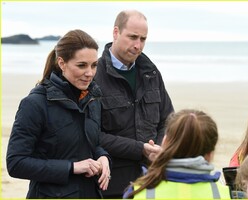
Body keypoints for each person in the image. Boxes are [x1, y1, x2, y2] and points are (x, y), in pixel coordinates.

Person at [6, 29, 111, 198]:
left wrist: (103, 157)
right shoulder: (34, 104)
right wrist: (72, 167)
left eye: (94, 65)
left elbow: (91, 144)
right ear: (62, 63)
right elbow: (16, 163)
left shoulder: (93, 99)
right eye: (82, 65)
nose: (90, 73)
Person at [94, 10, 174, 198]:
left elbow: (169, 119)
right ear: (116, 32)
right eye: (132, 37)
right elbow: (91, 134)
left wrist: (160, 148)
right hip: (111, 185)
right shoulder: (94, 77)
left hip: (153, 181)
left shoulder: (151, 73)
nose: (138, 45)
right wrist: (140, 149)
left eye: (143, 39)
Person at [123, 109, 231, 199]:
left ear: (165, 142)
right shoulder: (225, 195)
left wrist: (159, 162)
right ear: (210, 154)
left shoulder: (138, 192)